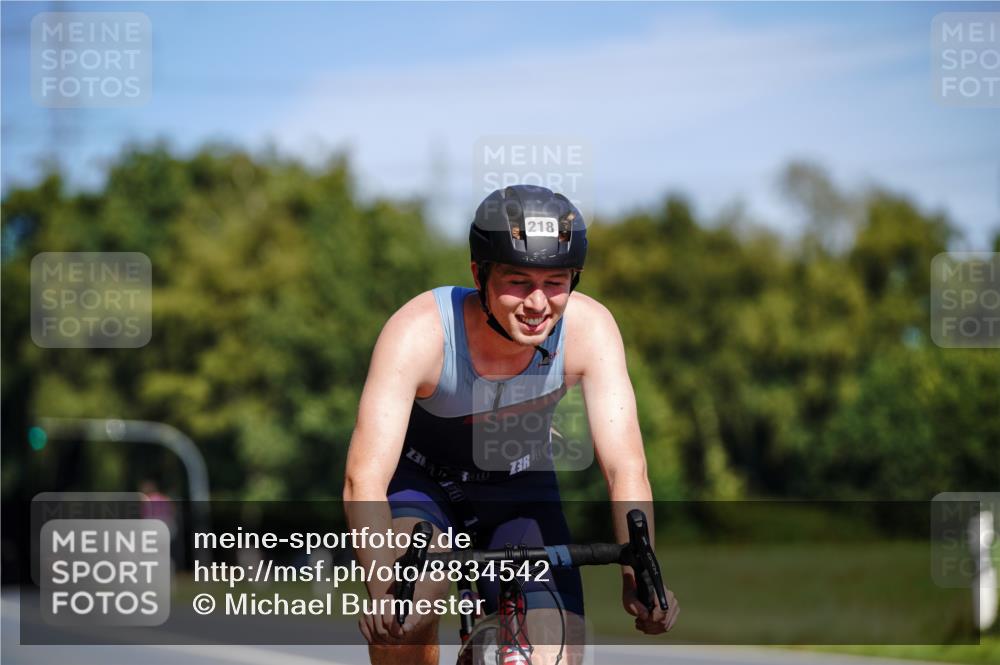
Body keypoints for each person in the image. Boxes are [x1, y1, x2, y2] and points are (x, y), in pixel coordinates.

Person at [343, 185, 679, 665]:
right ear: (479, 274)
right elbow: (364, 478)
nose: (538, 303)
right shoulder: (420, 332)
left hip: (519, 490)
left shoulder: (591, 331)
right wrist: (382, 586)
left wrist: (640, 572)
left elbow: (626, 468)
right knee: (405, 619)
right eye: (518, 282)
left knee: (554, 654)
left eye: (556, 282)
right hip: (422, 488)